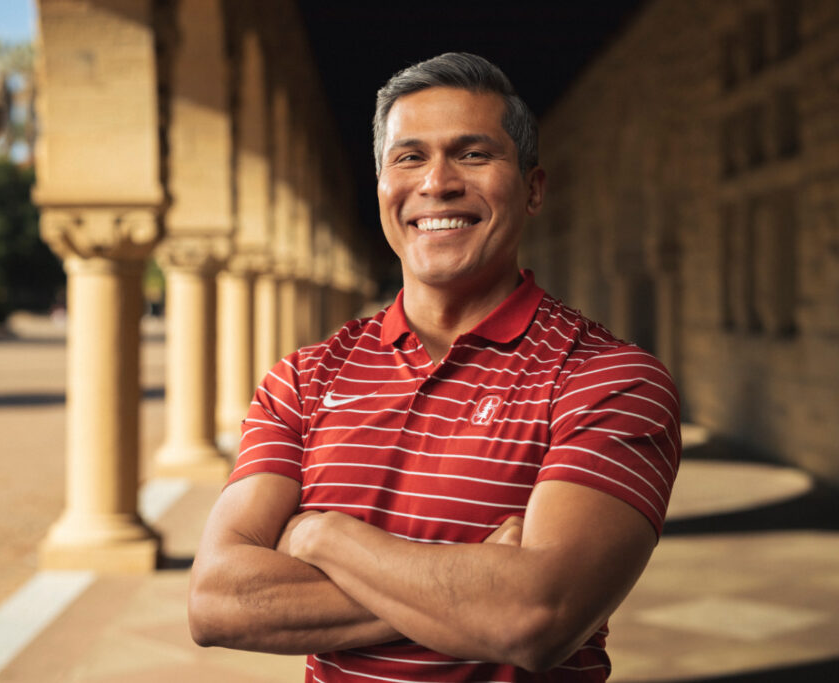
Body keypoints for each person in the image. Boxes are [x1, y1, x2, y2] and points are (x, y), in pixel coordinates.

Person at [189, 52, 680, 682]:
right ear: (382, 189)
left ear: (532, 190)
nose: (438, 182)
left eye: (474, 154)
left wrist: (324, 538)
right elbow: (216, 602)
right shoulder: (304, 380)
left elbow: (535, 619)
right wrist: (476, 586)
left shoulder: (608, 380)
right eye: (409, 156)